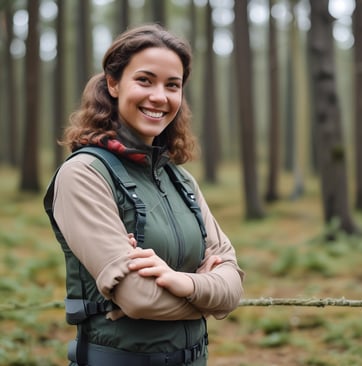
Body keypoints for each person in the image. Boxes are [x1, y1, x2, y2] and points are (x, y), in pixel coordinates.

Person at [44, 24, 244, 366]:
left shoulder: (181, 180)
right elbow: (138, 297)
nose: (159, 97)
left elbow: (234, 286)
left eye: (172, 85)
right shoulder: (85, 174)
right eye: (144, 80)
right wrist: (208, 293)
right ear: (113, 83)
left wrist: (181, 282)